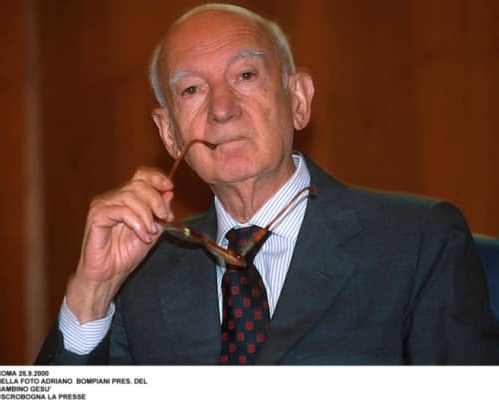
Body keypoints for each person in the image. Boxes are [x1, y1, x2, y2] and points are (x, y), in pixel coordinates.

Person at [36, 3, 499, 365]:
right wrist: (92, 294)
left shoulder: (416, 242)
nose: (221, 109)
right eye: (192, 89)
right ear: (170, 133)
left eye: (245, 75)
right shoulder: (141, 272)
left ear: (298, 100)